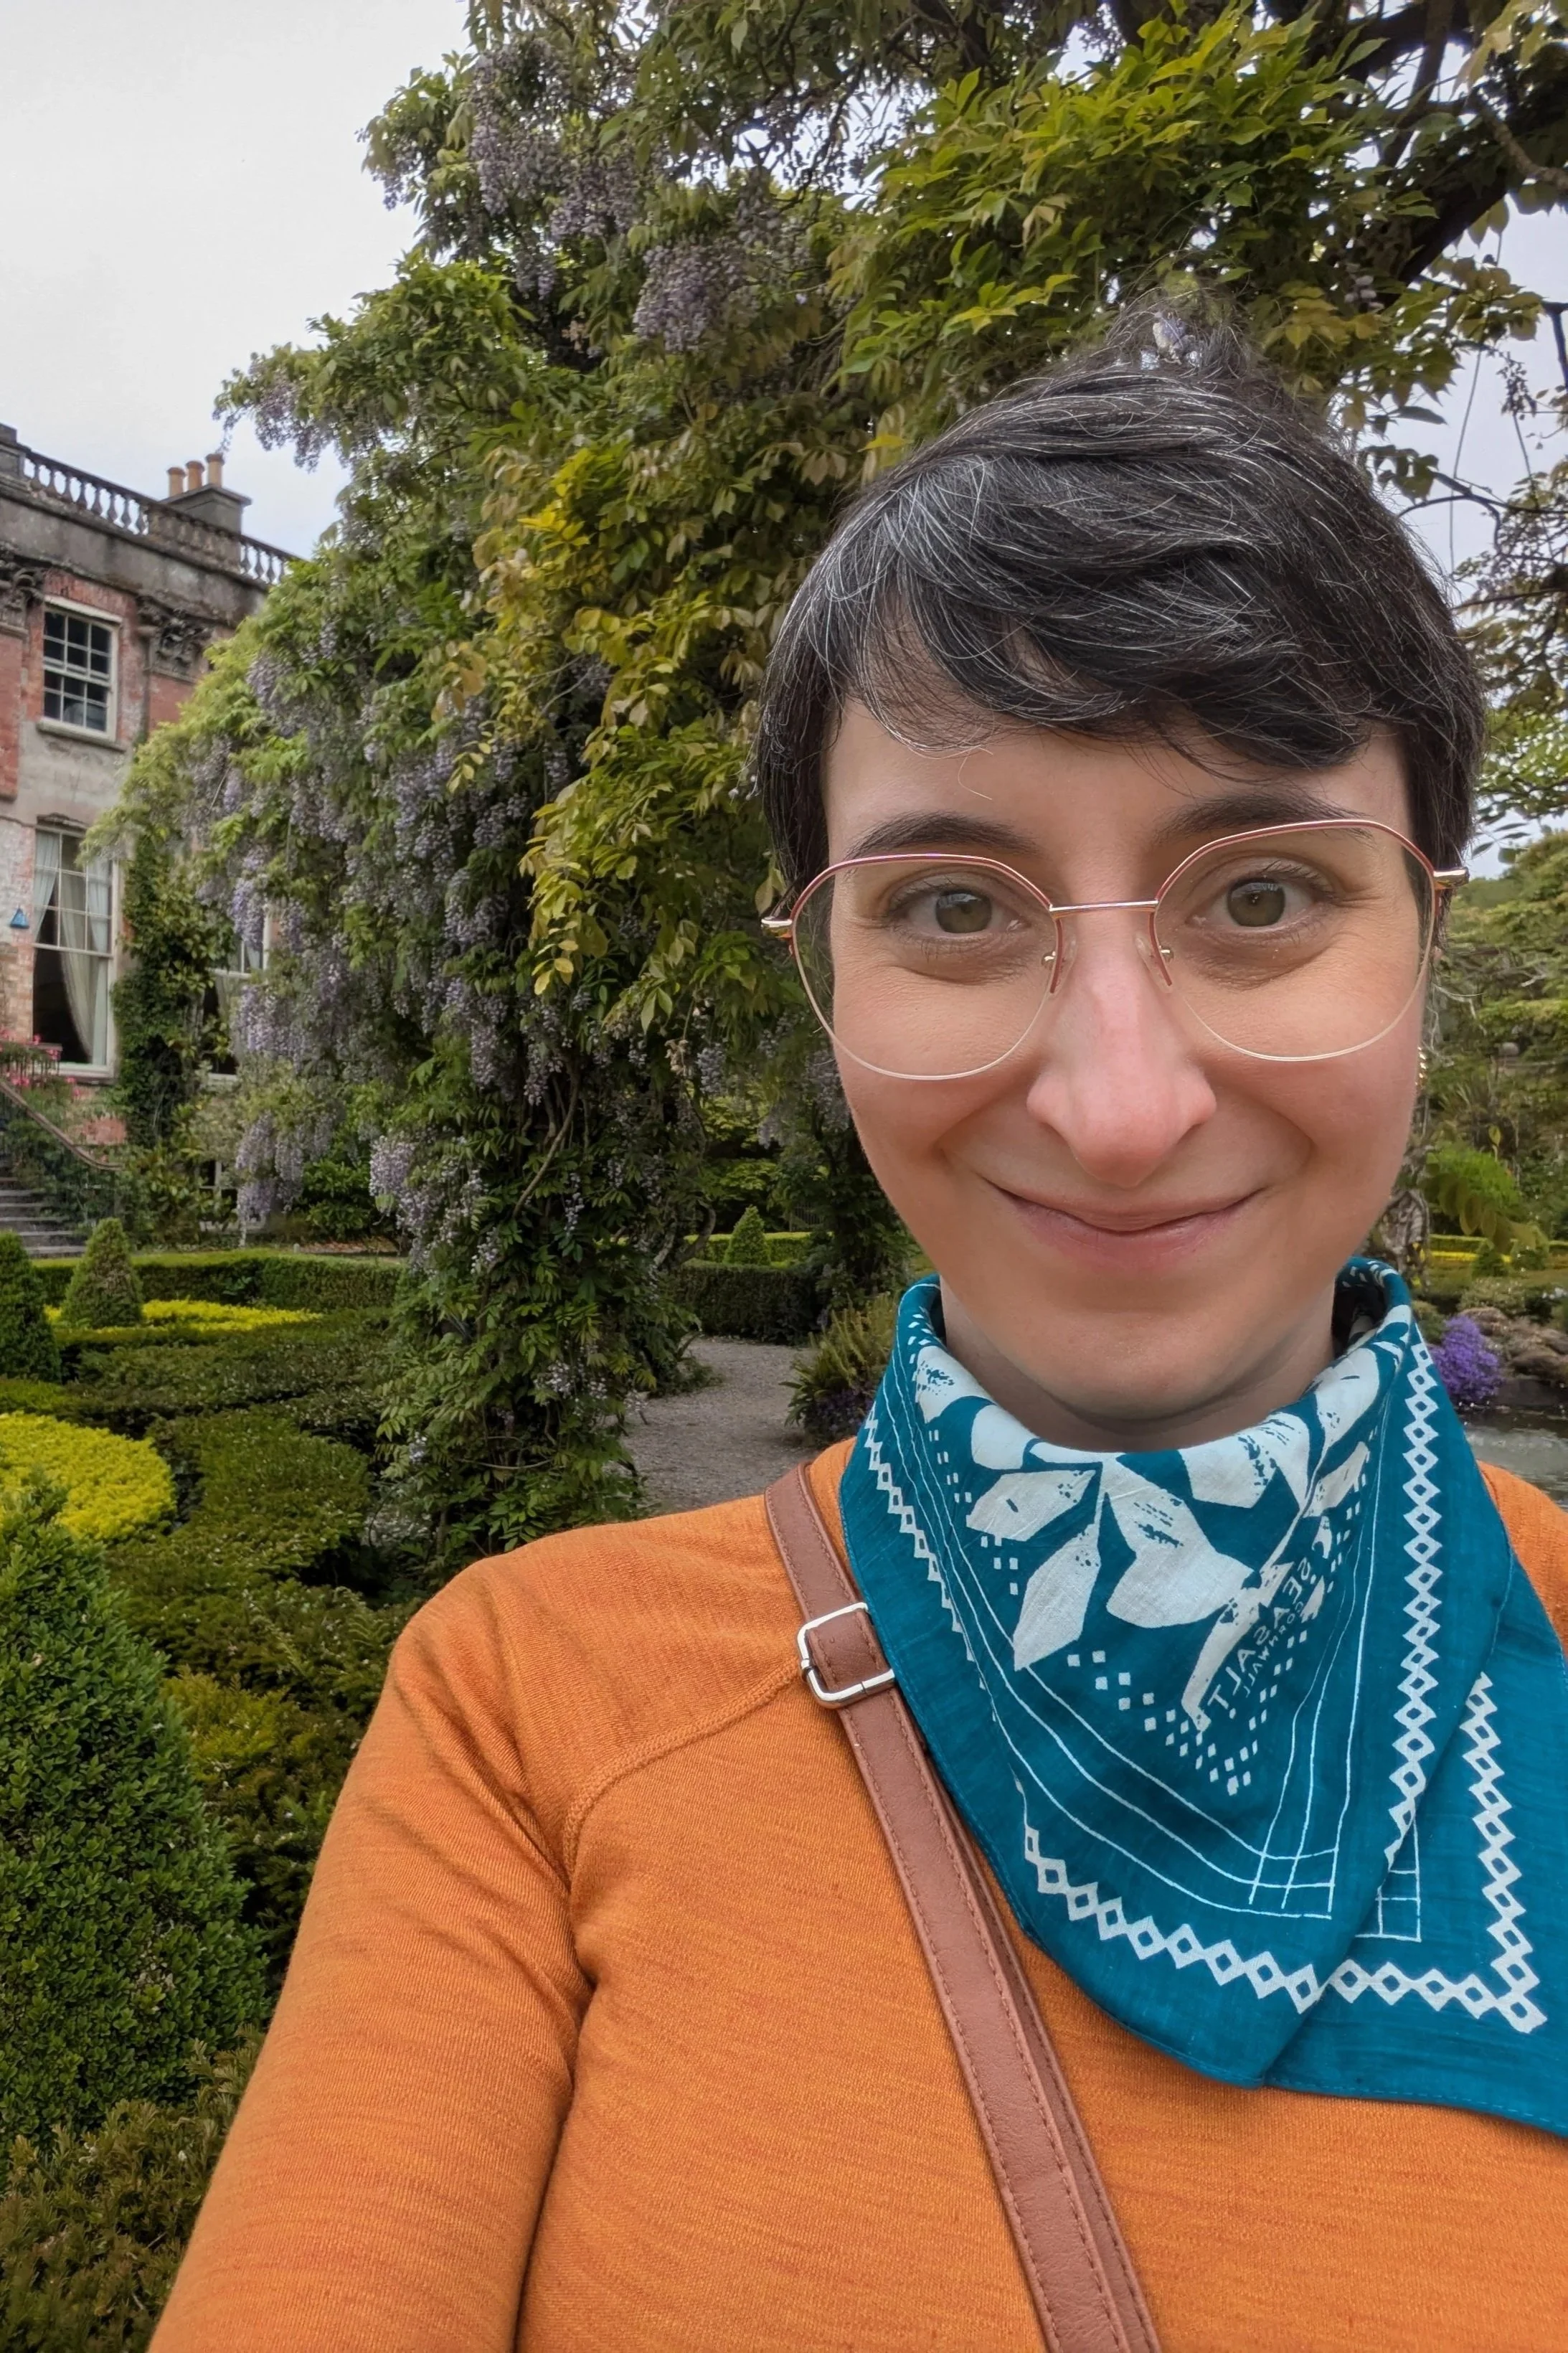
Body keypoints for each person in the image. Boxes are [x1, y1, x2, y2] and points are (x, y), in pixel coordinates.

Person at [153, 316, 1568, 2352]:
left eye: (1262, 896)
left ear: (1425, 940)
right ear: (827, 977)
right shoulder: (529, 1713)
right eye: (956, 910)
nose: (1119, 1106)